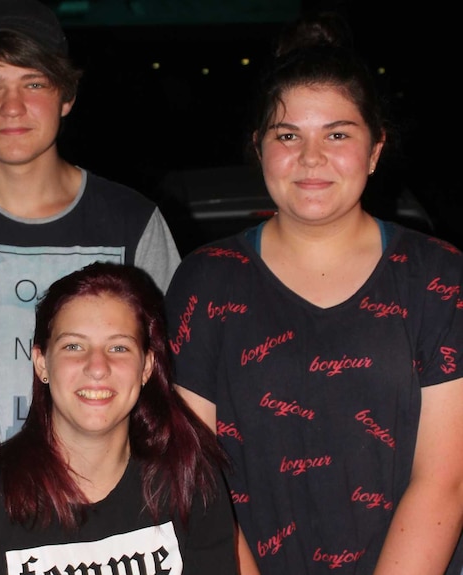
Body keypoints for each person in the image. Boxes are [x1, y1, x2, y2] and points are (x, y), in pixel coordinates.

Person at [168, 11, 463, 575]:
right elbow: (196, 482)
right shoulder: (206, 281)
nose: (310, 158)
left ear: (375, 150)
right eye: (287, 136)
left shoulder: (438, 277)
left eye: (337, 134)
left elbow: (444, 480)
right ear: (258, 149)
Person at [0, 0, 181, 442]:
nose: (13, 107)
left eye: (34, 83)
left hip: (100, 494)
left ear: (66, 96)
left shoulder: (132, 222)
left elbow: (171, 374)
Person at [0, 261, 236, 574]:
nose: (97, 367)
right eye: (74, 346)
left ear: (147, 366)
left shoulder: (189, 477)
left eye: (119, 347)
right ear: (41, 363)